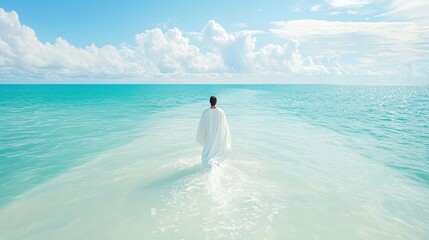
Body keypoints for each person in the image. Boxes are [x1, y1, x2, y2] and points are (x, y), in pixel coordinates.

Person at [196, 96, 231, 167]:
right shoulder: (221, 112)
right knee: (217, 148)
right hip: (218, 135)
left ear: (210, 102)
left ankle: (209, 161)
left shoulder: (205, 112)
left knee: (208, 150)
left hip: (209, 134)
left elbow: (202, 126)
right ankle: (217, 161)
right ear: (216, 102)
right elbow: (224, 126)